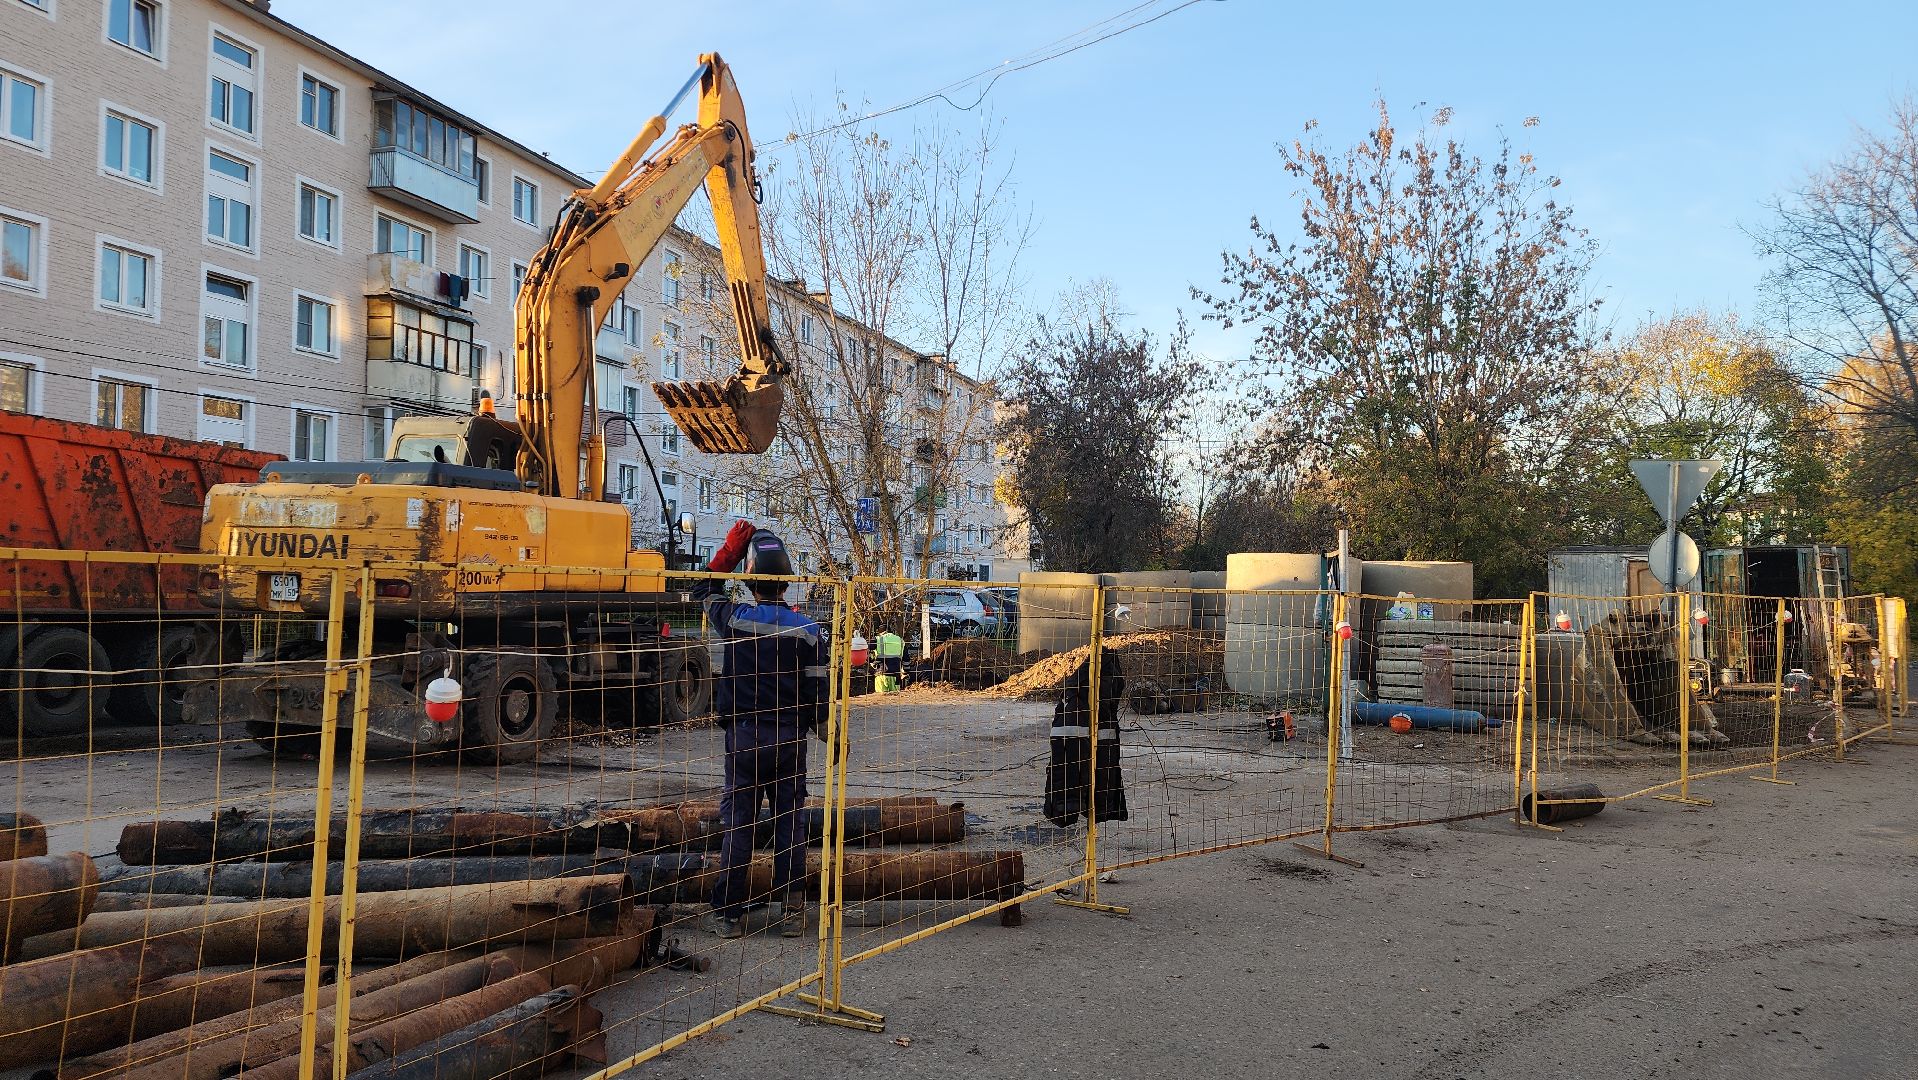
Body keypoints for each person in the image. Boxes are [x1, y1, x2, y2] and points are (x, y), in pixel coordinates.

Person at [694, 519, 830, 939]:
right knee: (790, 819)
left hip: (745, 738)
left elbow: (703, 590)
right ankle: (791, 909)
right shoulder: (809, 631)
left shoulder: (735, 621)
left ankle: (729, 915)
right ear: (785, 584)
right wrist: (826, 731)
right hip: (790, 738)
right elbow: (819, 691)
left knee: (740, 823)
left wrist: (730, 551)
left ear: (751, 582)